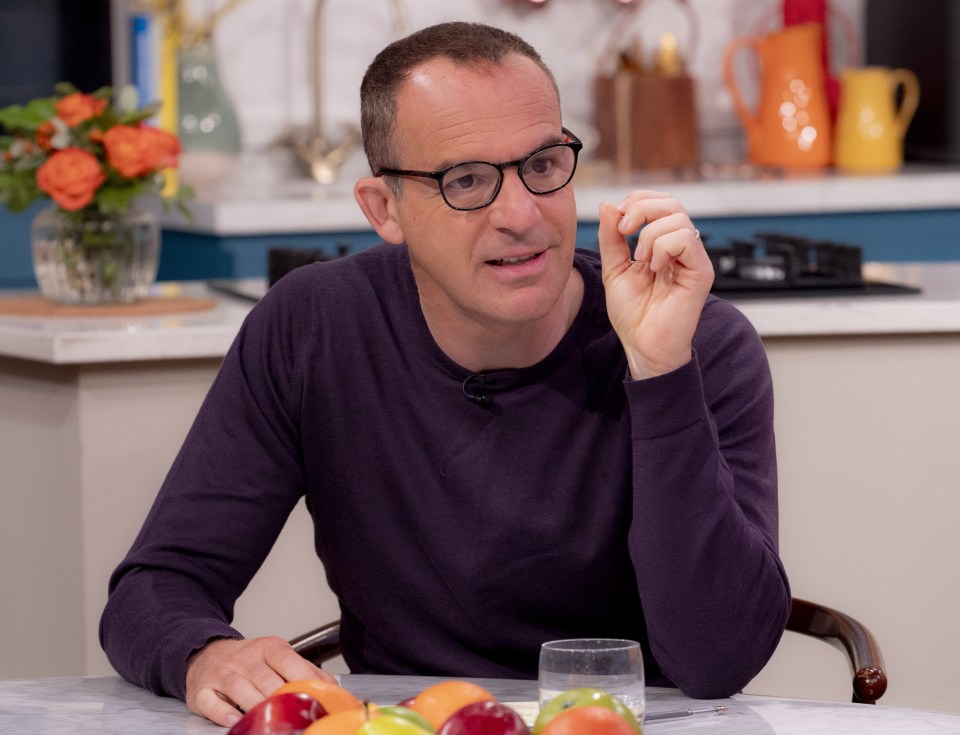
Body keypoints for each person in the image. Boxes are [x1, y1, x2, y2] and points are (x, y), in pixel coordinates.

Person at [100, 21, 790, 727]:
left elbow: (717, 659)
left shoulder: (698, 341)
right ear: (383, 209)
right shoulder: (313, 326)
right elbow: (156, 587)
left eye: (545, 165)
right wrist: (204, 651)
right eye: (466, 181)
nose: (521, 214)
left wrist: (658, 371)